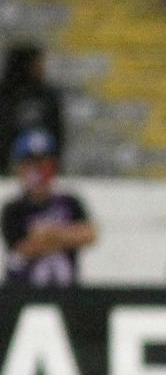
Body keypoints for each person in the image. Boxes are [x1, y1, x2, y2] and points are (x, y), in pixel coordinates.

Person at [1, 129, 96, 287]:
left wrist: (49, 234)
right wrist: (66, 236)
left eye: (44, 165)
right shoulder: (13, 208)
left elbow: (89, 234)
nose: (39, 172)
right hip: (23, 293)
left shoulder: (70, 202)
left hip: (66, 293)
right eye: (31, 164)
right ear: (20, 169)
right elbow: (22, 247)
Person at [0, 42, 65, 174]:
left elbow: (57, 130)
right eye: (37, 63)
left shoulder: (47, 95)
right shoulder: (5, 94)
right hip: (6, 166)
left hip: (43, 165)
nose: (41, 68)